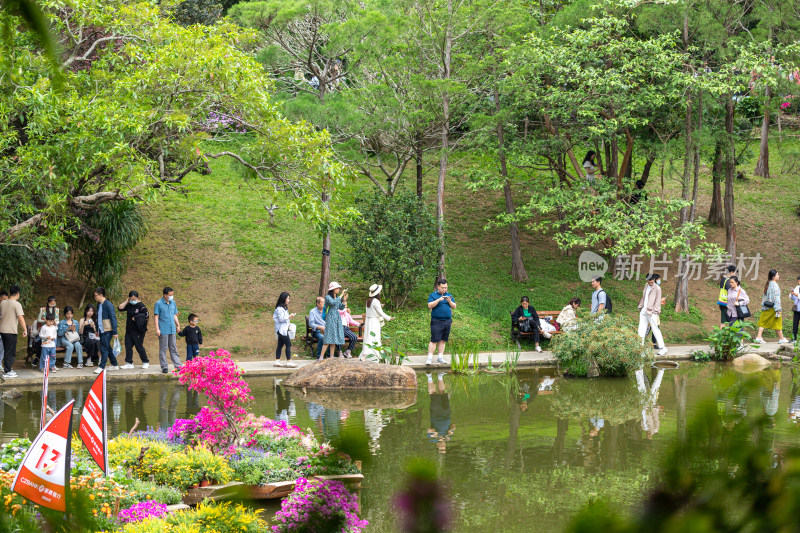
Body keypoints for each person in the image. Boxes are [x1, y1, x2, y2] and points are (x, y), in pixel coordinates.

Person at [359, 284, 393, 361]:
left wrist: (380, 306)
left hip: (369, 321)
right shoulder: (376, 301)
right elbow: (380, 313)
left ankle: (367, 355)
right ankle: (366, 356)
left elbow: (373, 310)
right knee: (374, 337)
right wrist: (389, 318)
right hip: (374, 321)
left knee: (368, 337)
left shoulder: (369, 301)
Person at [755, 269, 789, 344]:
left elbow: (764, 296)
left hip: (766, 307)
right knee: (777, 323)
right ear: (774, 277)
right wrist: (778, 309)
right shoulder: (775, 285)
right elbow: (776, 298)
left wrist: (763, 304)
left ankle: (759, 337)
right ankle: (781, 338)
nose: (778, 276)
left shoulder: (768, 284)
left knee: (762, 322)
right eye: (777, 274)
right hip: (774, 308)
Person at [0, 286, 27, 379]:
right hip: (11, 331)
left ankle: (7, 369)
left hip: (2, 330)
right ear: (18, 294)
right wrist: (25, 329)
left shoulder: (2, 302)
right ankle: (7, 371)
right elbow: (20, 318)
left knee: (6, 350)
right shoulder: (17, 304)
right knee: (10, 352)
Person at [427, 279, 456, 365]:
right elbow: (430, 305)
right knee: (434, 339)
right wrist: (439, 300)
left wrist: (449, 301)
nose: (444, 289)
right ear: (438, 287)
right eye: (442, 287)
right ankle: (429, 358)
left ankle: (440, 357)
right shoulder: (433, 295)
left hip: (447, 321)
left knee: (443, 339)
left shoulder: (449, 295)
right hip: (436, 320)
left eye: (446, 287)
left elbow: (454, 306)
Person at [118, 291, 149, 369]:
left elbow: (146, 315)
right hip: (129, 330)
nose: (133, 300)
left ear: (137, 298)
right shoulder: (129, 305)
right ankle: (129, 362)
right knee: (128, 346)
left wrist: (137, 318)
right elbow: (120, 308)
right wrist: (127, 301)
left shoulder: (141, 306)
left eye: (134, 299)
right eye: (131, 299)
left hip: (138, 331)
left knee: (139, 346)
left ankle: (145, 361)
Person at [153, 286, 181, 374]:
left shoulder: (173, 303)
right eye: (170, 295)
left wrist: (178, 325)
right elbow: (156, 317)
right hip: (163, 329)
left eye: (172, 294)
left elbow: (174, 315)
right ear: (165, 295)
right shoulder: (158, 303)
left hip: (172, 329)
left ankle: (178, 365)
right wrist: (157, 329)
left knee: (173, 347)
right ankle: (164, 366)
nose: (172, 296)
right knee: (163, 348)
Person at [637, 274, 667, 356]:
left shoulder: (657, 288)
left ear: (654, 280)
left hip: (652, 312)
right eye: (648, 281)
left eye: (651, 282)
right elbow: (644, 297)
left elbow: (658, 302)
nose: (650, 283)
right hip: (644, 311)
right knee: (641, 329)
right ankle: (640, 349)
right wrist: (641, 307)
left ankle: (663, 348)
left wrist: (655, 311)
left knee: (655, 329)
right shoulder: (646, 285)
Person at [426, 371, 454, 454]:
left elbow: (429, 429)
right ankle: (440, 376)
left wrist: (436, 434)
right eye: (444, 447)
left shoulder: (433, 439)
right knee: (443, 394)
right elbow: (453, 425)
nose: (442, 445)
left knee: (433, 394)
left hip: (436, 415)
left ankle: (429, 377)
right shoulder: (448, 437)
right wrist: (450, 431)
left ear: (437, 446)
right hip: (446, 414)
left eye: (441, 447)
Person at [93, 287, 120, 374]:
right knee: (107, 347)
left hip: (108, 330)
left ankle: (101, 366)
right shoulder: (98, 305)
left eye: (95, 295)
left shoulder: (108, 305)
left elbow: (113, 318)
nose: (95, 297)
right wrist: (97, 329)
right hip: (101, 329)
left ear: (101, 295)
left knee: (104, 348)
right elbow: (98, 318)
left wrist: (115, 331)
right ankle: (115, 364)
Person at [320, 282, 347, 361]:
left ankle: (331, 357)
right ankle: (321, 356)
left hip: (336, 317)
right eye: (337, 288)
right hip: (330, 317)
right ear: (333, 289)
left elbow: (341, 308)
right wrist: (341, 296)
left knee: (334, 339)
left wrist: (344, 301)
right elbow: (332, 303)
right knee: (328, 338)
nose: (338, 290)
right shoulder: (328, 297)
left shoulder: (337, 298)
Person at [272, 292, 296, 367]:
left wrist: (290, 317)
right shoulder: (279, 309)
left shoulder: (284, 308)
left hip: (283, 329)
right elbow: (281, 319)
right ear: (284, 299)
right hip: (281, 330)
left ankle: (277, 360)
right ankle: (289, 361)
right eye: (288, 298)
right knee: (288, 344)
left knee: (280, 345)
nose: (289, 300)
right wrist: (289, 316)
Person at [790, 276, 800, 343]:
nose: (799, 282)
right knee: (795, 324)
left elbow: (798, 296)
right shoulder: (797, 287)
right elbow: (792, 298)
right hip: (797, 309)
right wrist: (792, 294)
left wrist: (798, 295)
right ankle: (794, 338)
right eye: (798, 281)